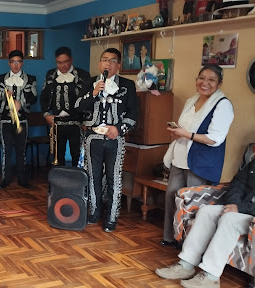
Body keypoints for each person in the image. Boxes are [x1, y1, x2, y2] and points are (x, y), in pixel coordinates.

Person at [161, 64, 234, 248]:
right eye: (202, 78)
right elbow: (185, 127)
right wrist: (178, 133)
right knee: (172, 196)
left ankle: (188, 244)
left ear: (219, 83)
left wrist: (187, 135)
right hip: (180, 157)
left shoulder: (223, 105)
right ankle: (170, 237)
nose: (205, 83)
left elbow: (214, 139)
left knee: (192, 203)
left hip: (201, 162)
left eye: (211, 80)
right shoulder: (192, 100)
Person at [155, 157, 255, 288]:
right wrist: (233, 204)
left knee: (229, 219)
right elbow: (239, 182)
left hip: (250, 213)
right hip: (241, 207)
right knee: (206, 211)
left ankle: (210, 277)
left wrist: (239, 209)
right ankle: (186, 264)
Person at [74, 48, 138, 232]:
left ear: (118, 65)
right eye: (104, 60)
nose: (107, 64)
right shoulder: (88, 83)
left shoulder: (127, 85)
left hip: (114, 138)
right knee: (93, 176)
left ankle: (111, 217)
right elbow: (77, 107)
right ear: (99, 63)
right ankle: (95, 211)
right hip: (92, 137)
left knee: (114, 178)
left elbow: (133, 114)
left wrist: (119, 129)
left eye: (112, 61)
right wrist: (93, 93)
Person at [0, 50, 37, 189]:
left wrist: (21, 103)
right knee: (6, 150)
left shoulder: (30, 78)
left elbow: (34, 97)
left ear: (22, 63)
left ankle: (22, 179)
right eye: (13, 62)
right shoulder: (1, 78)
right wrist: (4, 94)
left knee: (21, 150)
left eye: (18, 62)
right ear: (9, 63)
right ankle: (5, 179)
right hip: (5, 120)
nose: (15, 65)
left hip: (22, 120)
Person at [40, 46, 90, 166]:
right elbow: (44, 96)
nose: (63, 66)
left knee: (76, 154)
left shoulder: (83, 75)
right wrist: (46, 114)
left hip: (76, 123)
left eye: (65, 62)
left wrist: (86, 121)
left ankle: (77, 182)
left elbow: (88, 99)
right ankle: (59, 182)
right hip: (57, 123)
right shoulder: (51, 74)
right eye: (59, 62)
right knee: (58, 155)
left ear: (71, 60)